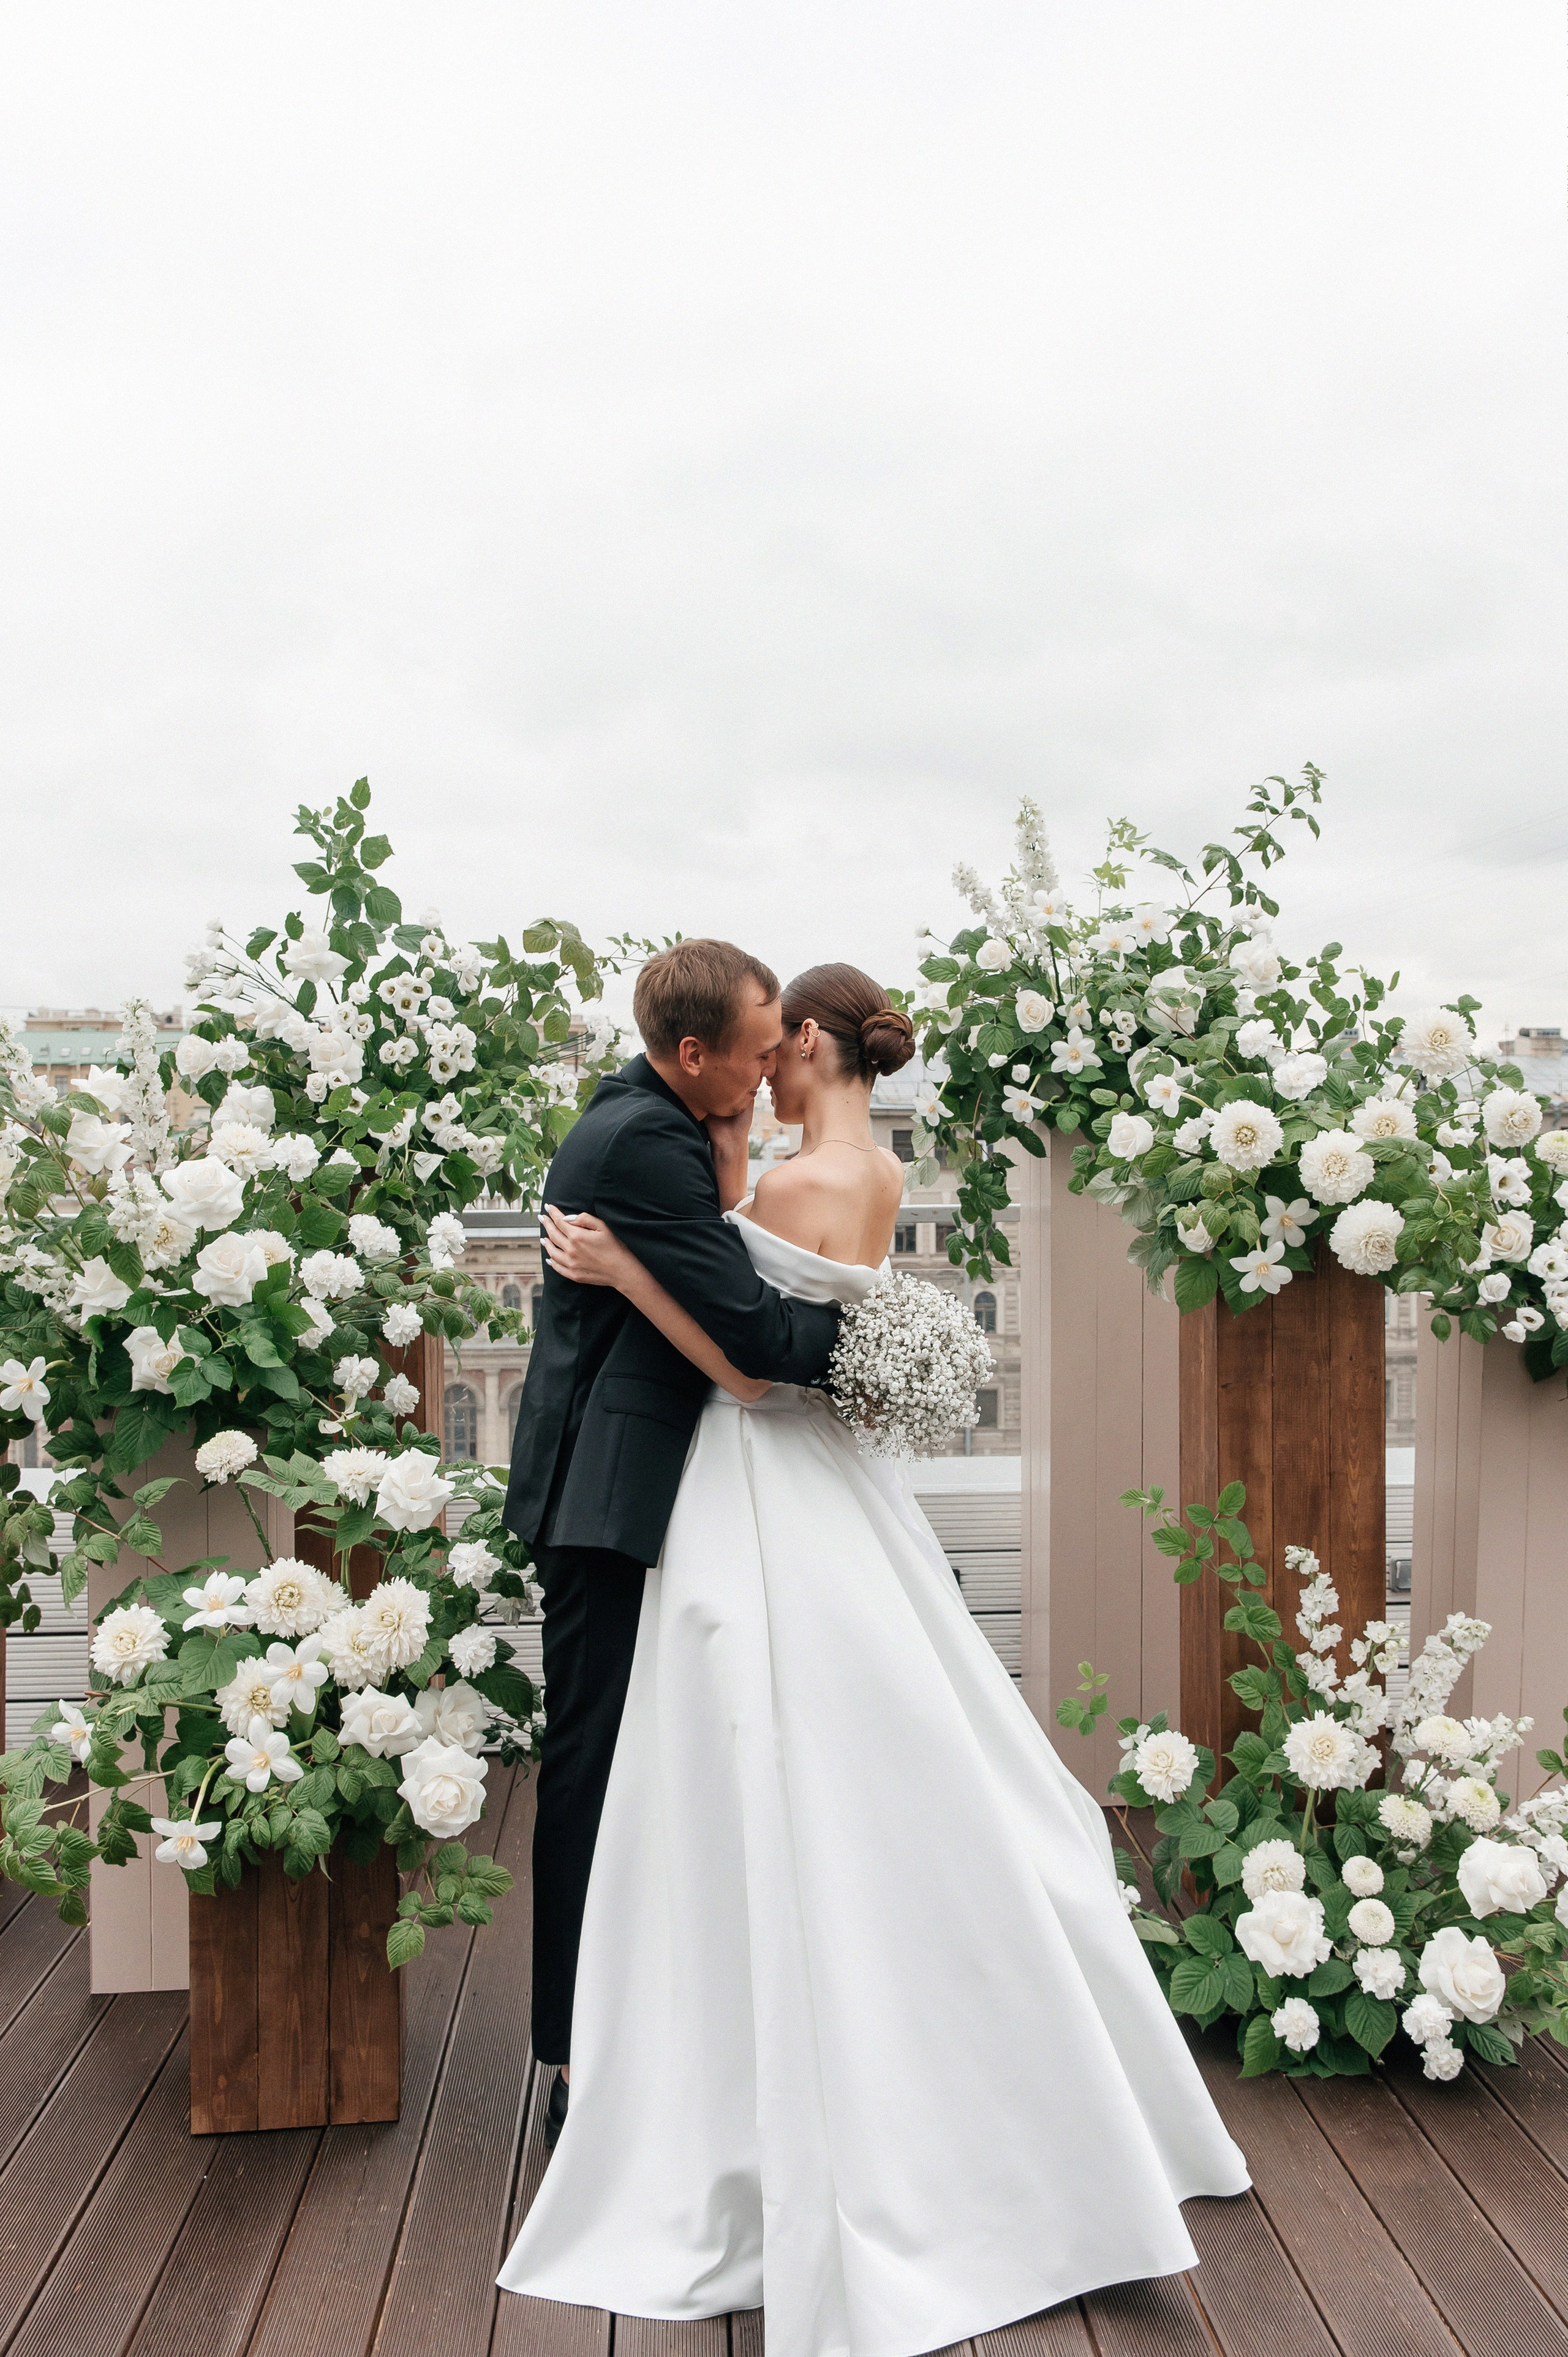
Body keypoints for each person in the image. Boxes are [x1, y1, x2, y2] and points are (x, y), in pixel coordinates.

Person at [498, 960, 1250, 2356]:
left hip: (752, 1467)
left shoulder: (791, 1181)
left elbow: (748, 1364)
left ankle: (661, 2039)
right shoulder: (872, 1170)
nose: (761, 1071)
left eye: (774, 1049)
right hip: (820, 1480)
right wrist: (724, 1171)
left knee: (725, 1742)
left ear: (805, 1045)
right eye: (746, 1051)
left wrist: (626, 1268)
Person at [501, 940, 843, 2140]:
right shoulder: (647, 1142)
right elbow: (757, 1337)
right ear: (691, 1052)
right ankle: (567, 2062)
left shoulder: (659, 1114)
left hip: (627, 1482)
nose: (768, 1071)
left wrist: (733, 1158)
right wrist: (877, 1328)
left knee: (643, 1761)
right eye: (754, 1054)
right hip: (601, 1502)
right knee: (590, 1768)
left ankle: (637, 2028)